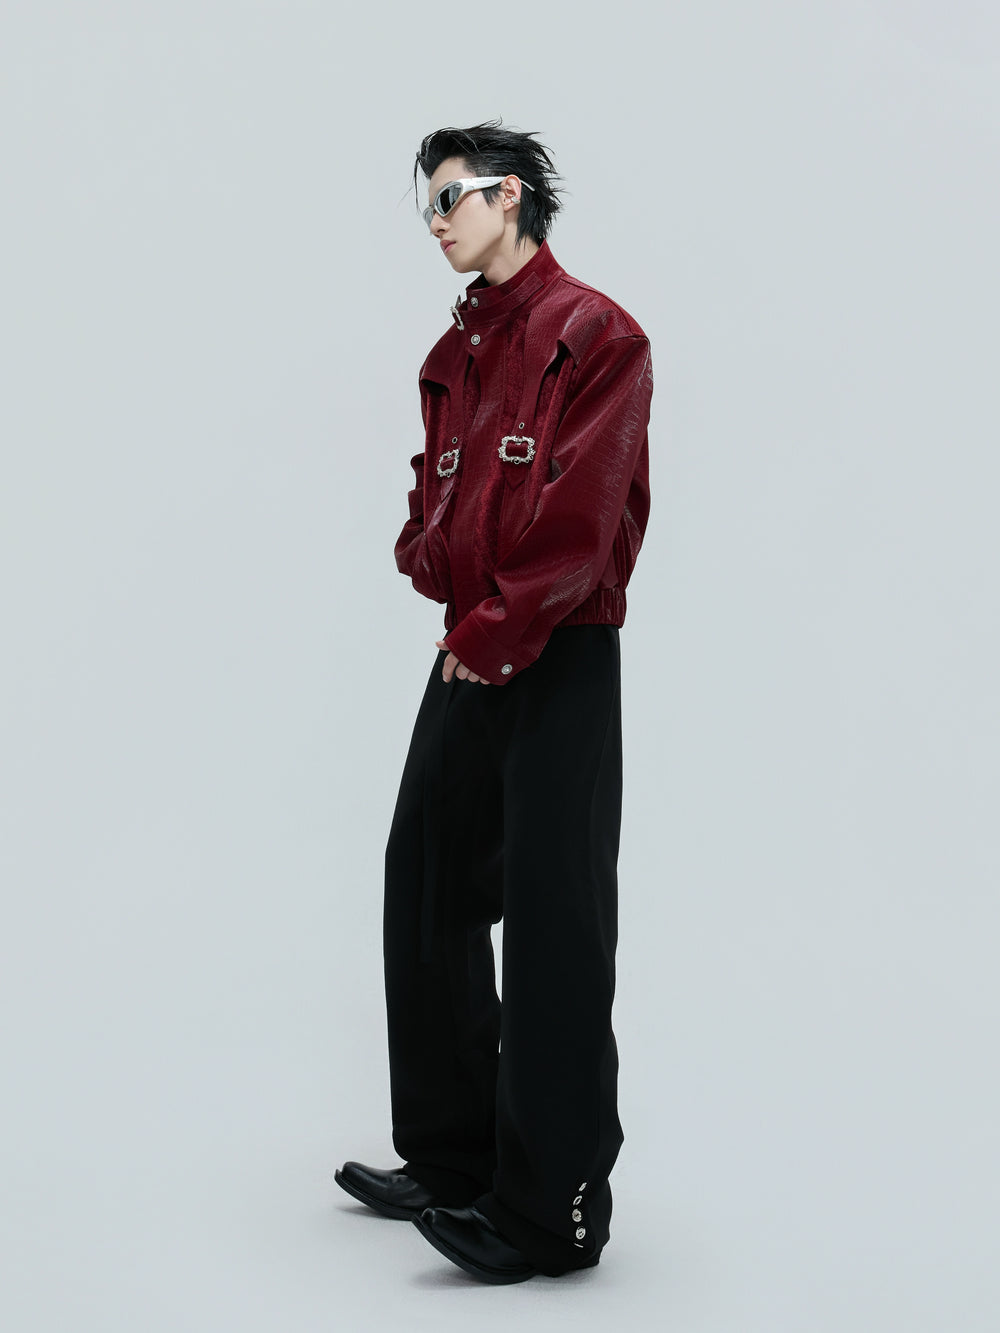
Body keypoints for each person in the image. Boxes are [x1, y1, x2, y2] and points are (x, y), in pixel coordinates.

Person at [335, 118, 654, 1284]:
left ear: (508, 196)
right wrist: (433, 555)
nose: (435, 222)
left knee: (556, 920)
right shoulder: (453, 352)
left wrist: (494, 626)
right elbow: (435, 505)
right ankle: (452, 1156)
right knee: (425, 879)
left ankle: (550, 1211)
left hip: (558, 650)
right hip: (471, 644)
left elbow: (583, 522)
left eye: (450, 198)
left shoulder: (597, 334)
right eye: (426, 204)